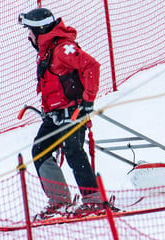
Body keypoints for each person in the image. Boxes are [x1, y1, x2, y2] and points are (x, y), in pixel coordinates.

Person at [19, 8, 103, 220]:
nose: (28, 36)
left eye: (30, 31)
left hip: (72, 112)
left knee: (73, 150)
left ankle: (93, 201)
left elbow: (91, 65)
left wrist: (87, 101)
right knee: (40, 150)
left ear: (39, 30)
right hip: (54, 114)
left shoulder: (62, 48)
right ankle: (59, 201)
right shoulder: (46, 51)